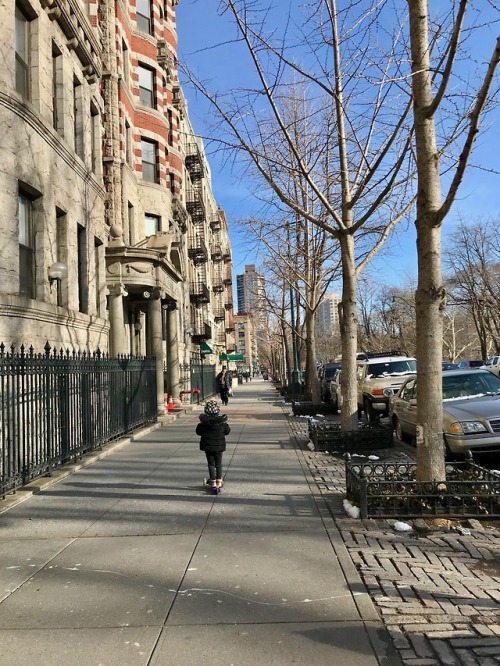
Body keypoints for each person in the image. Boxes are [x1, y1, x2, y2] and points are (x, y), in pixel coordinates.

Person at [196, 400, 230, 494]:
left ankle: (213, 480)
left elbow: (198, 432)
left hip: (208, 447)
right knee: (218, 463)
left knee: (211, 464)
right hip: (219, 447)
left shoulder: (203, 424)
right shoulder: (222, 423)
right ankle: (219, 479)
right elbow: (227, 431)